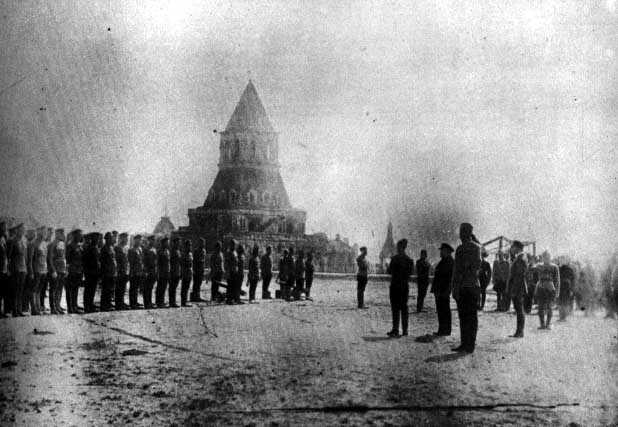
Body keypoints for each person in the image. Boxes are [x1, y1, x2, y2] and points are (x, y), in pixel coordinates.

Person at [451, 223, 482, 353]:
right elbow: (477, 265)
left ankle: (467, 344)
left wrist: (455, 287)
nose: (460, 235)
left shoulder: (465, 249)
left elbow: (459, 270)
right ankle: (468, 344)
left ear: (465, 234)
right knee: (468, 316)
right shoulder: (475, 248)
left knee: (466, 316)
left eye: (462, 232)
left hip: (466, 286)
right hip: (470, 286)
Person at [386, 239, 414, 338]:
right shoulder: (409, 260)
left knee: (395, 308)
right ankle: (405, 330)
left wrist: (388, 266)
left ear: (401, 247)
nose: (397, 249)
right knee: (404, 308)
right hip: (404, 286)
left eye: (398, 247)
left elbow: (389, 271)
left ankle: (395, 329)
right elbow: (410, 273)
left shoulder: (394, 259)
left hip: (395, 286)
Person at [430, 243, 454, 336]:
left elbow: (449, 278)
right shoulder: (444, 261)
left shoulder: (450, 262)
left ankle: (445, 330)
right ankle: (442, 329)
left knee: (444, 310)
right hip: (440, 290)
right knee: (441, 310)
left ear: (446, 251)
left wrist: (447, 290)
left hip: (443, 290)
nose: (440, 252)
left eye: (442, 250)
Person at [507, 241, 528, 338]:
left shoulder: (520, 258)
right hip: (518, 287)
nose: (511, 248)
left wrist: (514, 290)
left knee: (519, 309)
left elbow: (519, 276)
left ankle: (519, 332)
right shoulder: (520, 257)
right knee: (519, 309)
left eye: (513, 247)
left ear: (517, 248)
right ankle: (519, 331)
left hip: (518, 287)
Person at [534, 251, 560, 330]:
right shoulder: (539, 266)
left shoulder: (554, 267)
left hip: (550, 287)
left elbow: (557, 280)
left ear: (550, 258)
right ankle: (542, 324)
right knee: (540, 307)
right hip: (541, 287)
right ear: (542, 258)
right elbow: (531, 270)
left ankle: (548, 323)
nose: (546, 258)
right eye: (544, 257)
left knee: (549, 306)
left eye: (548, 257)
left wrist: (557, 291)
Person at [27, 226, 49, 315]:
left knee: (39, 289)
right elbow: (30, 259)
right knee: (34, 289)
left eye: (45, 232)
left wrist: (46, 269)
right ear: (39, 232)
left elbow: (45, 257)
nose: (45, 234)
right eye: (43, 232)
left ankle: (38, 307)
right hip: (36, 269)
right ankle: (34, 308)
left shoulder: (44, 243)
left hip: (44, 269)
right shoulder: (33, 243)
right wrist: (31, 272)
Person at [7, 224, 27, 317]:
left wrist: (26, 268)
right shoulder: (12, 240)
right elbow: (9, 256)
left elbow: (25, 255)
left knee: (20, 290)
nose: (23, 231)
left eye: (24, 230)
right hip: (15, 267)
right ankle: (14, 310)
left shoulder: (24, 240)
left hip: (23, 267)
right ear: (17, 230)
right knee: (15, 290)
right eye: (21, 229)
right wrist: (9, 269)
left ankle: (19, 309)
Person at [47, 228, 67, 314]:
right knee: (53, 289)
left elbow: (64, 258)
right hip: (56, 270)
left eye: (63, 233)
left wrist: (65, 269)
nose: (63, 235)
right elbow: (50, 258)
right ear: (57, 234)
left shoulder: (62, 244)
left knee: (60, 289)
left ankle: (58, 305)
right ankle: (53, 307)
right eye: (61, 233)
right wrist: (53, 270)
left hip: (62, 270)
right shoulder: (52, 244)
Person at [65, 229, 84, 314]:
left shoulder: (79, 245)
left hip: (78, 270)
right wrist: (67, 269)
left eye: (81, 235)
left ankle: (75, 305)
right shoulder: (69, 245)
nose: (80, 236)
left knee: (76, 289)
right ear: (74, 235)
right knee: (70, 289)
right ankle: (70, 308)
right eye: (79, 235)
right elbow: (67, 258)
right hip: (71, 270)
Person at [82, 232, 101, 313]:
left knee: (93, 289)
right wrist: (86, 272)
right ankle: (87, 306)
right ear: (92, 239)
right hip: (90, 272)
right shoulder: (88, 248)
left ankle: (90, 304)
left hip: (95, 272)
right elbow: (85, 261)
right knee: (88, 290)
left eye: (98, 239)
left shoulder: (96, 248)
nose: (97, 240)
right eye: (96, 238)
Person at [100, 232, 117, 312]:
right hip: (106, 272)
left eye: (111, 238)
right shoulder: (104, 248)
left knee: (110, 289)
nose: (111, 240)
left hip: (112, 271)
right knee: (105, 289)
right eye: (109, 238)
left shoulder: (112, 248)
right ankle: (104, 305)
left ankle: (108, 303)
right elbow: (102, 261)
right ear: (106, 239)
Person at [114, 233, 130, 310]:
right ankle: (118, 304)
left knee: (123, 288)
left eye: (127, 238)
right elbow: (117, 260)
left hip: (125, 270)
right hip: (120, 271)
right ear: (121, 239)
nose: (127, 240)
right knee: (119, 288)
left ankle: (121, 302)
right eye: (125, 238)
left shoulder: (126, 248)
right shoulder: (117, 248)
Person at [128, 235, 144, 309]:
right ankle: (132, 304)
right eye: (138, 240)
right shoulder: (132, 250)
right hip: (134, 272)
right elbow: (131, 262)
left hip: (139, 271)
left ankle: (135, 301)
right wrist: (132, 272)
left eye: (140, 240)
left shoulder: (140, 249)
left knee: (136, 288)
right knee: (133, 288)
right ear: (135, 241)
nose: (140, 242)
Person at [40, 227, 53, 312]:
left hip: (49, 268)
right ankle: (41, 305)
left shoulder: (51, 243)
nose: (50, 234)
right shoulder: (44, 243)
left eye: (51, 233)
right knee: (42, 288)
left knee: (46, 288)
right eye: (49, 233)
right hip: (44, 267)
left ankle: (43, 305)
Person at [143, 235, 158, 309]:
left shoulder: (154, 249)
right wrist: (145, 271)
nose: (154, 241)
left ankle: (149, 302)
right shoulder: (146, 249)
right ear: (150, 240)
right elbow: (144, 261)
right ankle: (147, 303)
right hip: (148, 270)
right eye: (153, 240)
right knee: (147, 288)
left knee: (150, 287)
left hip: (153, 270)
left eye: (155, 240)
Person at [156, 237, 170, 308]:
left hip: (166, 272)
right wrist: (158, 273)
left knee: (164, 287)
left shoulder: (167, 251)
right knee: (160, 288)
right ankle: (159, 302)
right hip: (161, 272)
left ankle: (161, 301)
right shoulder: (159, 251)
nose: (167, 244)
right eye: (166, 243)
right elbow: (157, 263)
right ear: (163, 243)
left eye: (168, 242)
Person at [191, 238, 207, 303]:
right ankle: (194, 296)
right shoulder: (196, 251)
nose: (202, 244)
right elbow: (194, 261)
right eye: (201, 243)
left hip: (201, 269)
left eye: (203, 243)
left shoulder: (204, 251)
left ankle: (198, 296)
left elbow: (204, 260)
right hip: (197, 269)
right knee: (196, 283)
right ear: (199, 243)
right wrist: (194, 269)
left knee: (199, 283)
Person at [168, 237, 182, 308]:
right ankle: (172, 302)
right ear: (174, 243)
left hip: (177, 271)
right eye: (177, 243)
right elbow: (170, 262)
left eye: (179, 243)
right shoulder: (172, 251)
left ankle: (173, 301)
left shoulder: (178, 251)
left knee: (174, 288)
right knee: (172, 288)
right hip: (173, 272)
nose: (179, 244)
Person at [225, 240, 238, 305]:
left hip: (234, 270)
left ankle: (232, 298)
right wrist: (227, 271)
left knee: (233, 285)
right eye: (232, 244)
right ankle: (229, 299)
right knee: (230, 285)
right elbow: (227, 263)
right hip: (230, 271)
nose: (233, 246)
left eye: (234, 244)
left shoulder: (235, 252)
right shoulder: (229, 252)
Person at [180, 240, 193, 307]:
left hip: (189, 272)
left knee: (187, 287)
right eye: (189, 245)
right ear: (185, 246)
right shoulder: (183, 254)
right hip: (185, 272)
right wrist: (182, 273)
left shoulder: (190, 254)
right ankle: (183, 302)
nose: (190, 247)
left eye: (190, 245)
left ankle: (185, 301)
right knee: (184, 288)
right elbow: (182, 264)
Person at [0, 222, 8, 317]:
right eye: (3, 228)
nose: (5, 229)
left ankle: (3, 310)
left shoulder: (4, 238)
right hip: (1, 268)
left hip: (4, 268)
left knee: (3, 291)